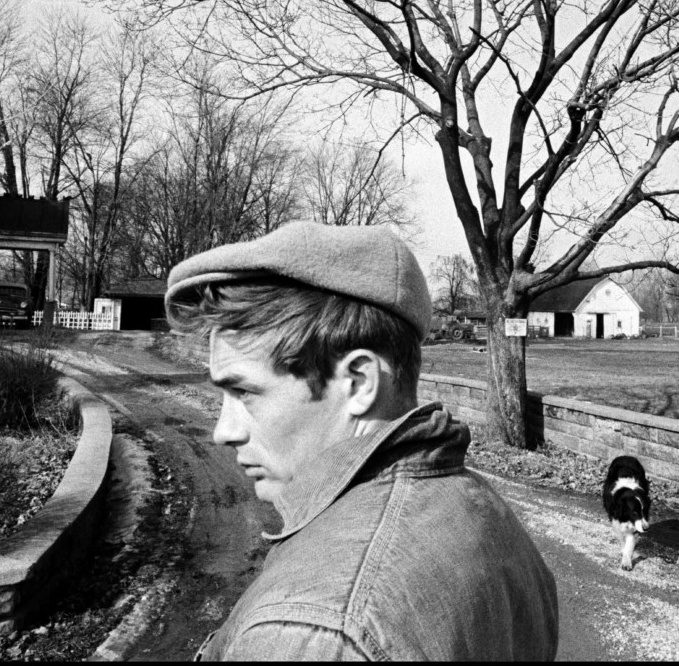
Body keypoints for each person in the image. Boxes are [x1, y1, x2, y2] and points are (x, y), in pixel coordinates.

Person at [165, 221, 559, 661]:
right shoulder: (487, 515)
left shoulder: (317, 633)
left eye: (243, 393)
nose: (224, 430)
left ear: (358, 383)